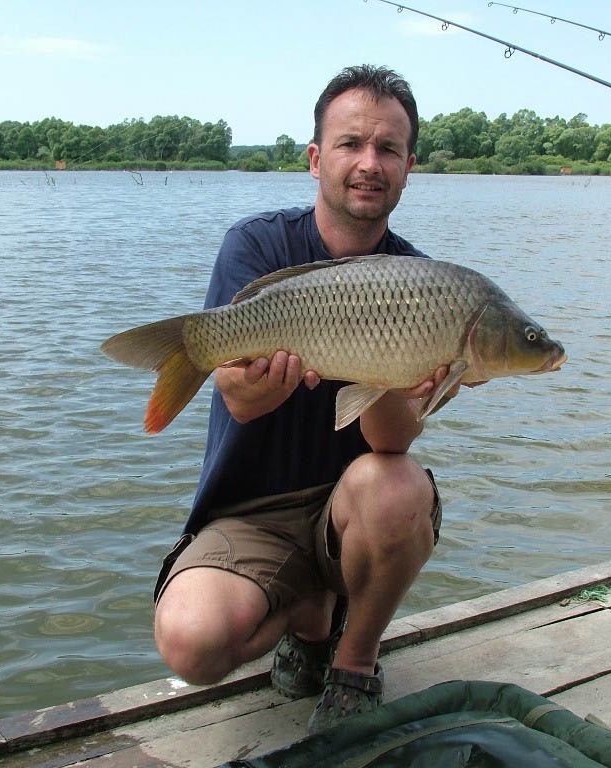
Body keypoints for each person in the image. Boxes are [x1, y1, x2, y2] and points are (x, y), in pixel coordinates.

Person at [153, 64, 457, 734]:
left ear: (411, 165)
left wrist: (374, 371)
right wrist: (247, 374)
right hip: (252, 509)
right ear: (316, 157)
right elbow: (240, 401)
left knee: (400, 485)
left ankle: (352, 665)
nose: (368, 164)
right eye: (351, 144)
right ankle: (305, 615)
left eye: (387, 149)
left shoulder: (427, 287)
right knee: (189, 643)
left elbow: (392, 443)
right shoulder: (255, 245)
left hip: (352, 510)